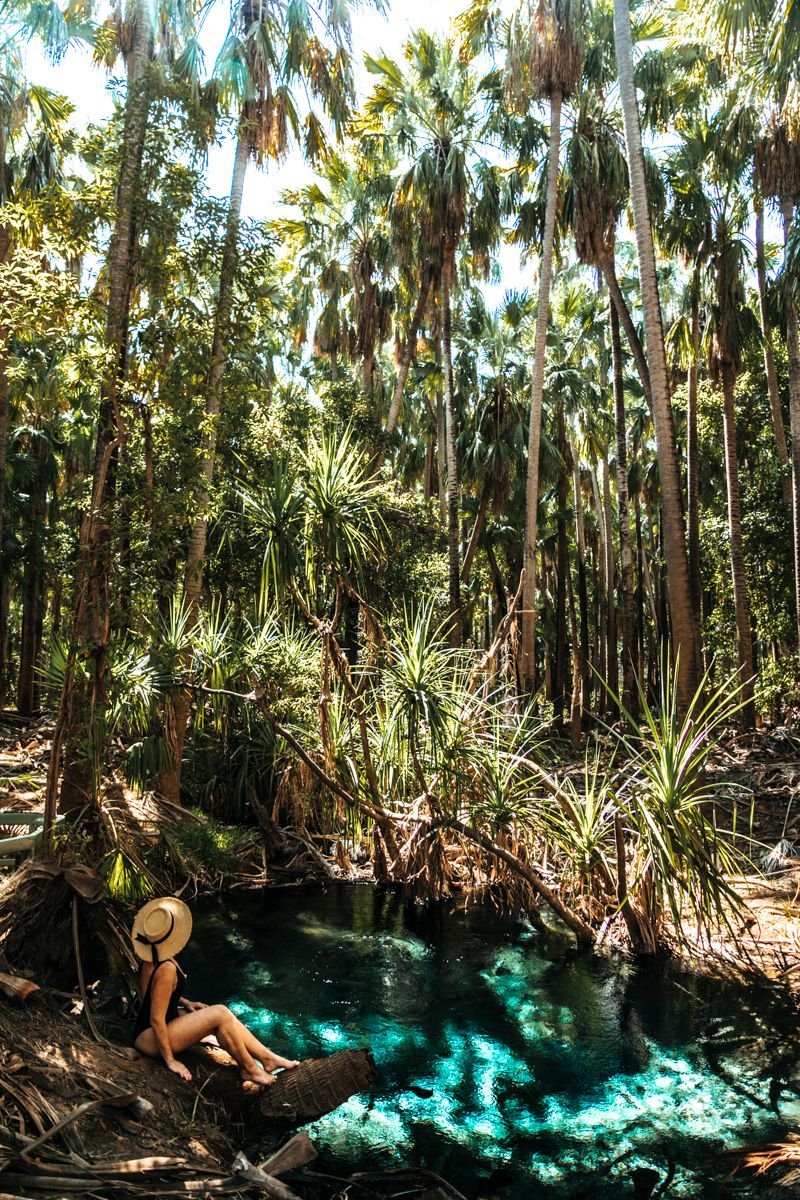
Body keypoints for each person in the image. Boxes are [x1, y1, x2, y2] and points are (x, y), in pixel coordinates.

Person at [131, 896, 299, 1086]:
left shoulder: (151, 958)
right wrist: (171, 1061)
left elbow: (153, 996)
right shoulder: (167, 968)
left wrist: (185, 1002)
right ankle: (250, 1069)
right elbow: (155, 1018)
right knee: (219, 1013)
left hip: (149, 1029)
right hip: (150, 1038)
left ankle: (268, 1058)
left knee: (225, 1014)